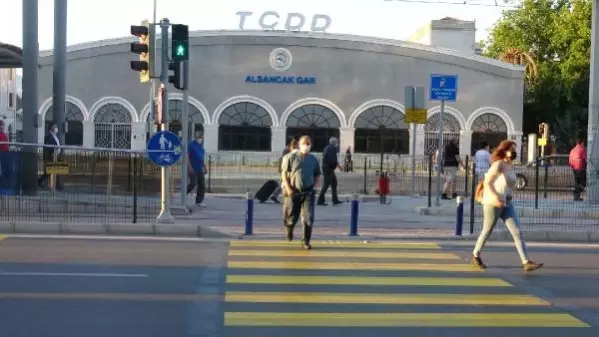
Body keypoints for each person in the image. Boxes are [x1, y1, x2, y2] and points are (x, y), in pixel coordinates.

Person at [472, 140, 543, 272]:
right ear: (504, 150)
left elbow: (508, 184)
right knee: (487, 231)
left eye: (515, 149)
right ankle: (476, 254)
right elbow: (488, 183)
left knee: (516, 231)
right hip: (493, 203)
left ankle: (526, 262)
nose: (514, 152)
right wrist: (496, 198)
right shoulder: (498, 165)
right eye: (512, 149)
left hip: (507, 203)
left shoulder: (509, 165)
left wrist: (507, 196)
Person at [280, 135, 321, 249]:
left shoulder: (313, 159)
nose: (306, 146)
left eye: (308, 144)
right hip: (294, 191)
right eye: (304, 143)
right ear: (299, 144)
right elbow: (284, 173)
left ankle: (306, 241)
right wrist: (288, 188)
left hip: (308, 192)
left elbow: (317, 173)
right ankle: (289, 229)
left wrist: (316, 186)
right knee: (292, 217)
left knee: (308, 218)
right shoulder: (291, 157)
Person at [317, 137, 343, 206]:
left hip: (328, 169)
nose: (338, 143)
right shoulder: (331, 149)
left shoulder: (328, 148)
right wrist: (338, 166)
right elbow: (333, 160)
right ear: (334, 142)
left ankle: (335, 200)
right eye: (337, 142)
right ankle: (320, 200)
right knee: (326, 185)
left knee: (334, 184)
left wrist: (337, 166)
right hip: (328, 169)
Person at [38, 123, 63, 189]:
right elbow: (47, 148)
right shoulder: (48, 136)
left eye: (56, 126)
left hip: (57, 156)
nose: (56, 128)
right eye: (55, 126)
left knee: (58, 170)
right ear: (51, 128)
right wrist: (46, 158)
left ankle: (57, 185)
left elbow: (59, 145)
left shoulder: (56, 136)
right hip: (51, 156)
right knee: (49, 171)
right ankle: (40, 181)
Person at [187, 134, 207, 207]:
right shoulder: (191, 145)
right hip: (193, 168)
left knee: (202, 185)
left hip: (200, 168)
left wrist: (205, 167)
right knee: (193, 183)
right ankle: (183, 194)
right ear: (196, 138)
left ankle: (199, 201)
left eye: (201, 138)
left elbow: (201, 158)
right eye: (199, 138)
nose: (200, 139)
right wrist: (189, 167)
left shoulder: (201, 147)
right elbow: (187, 156)